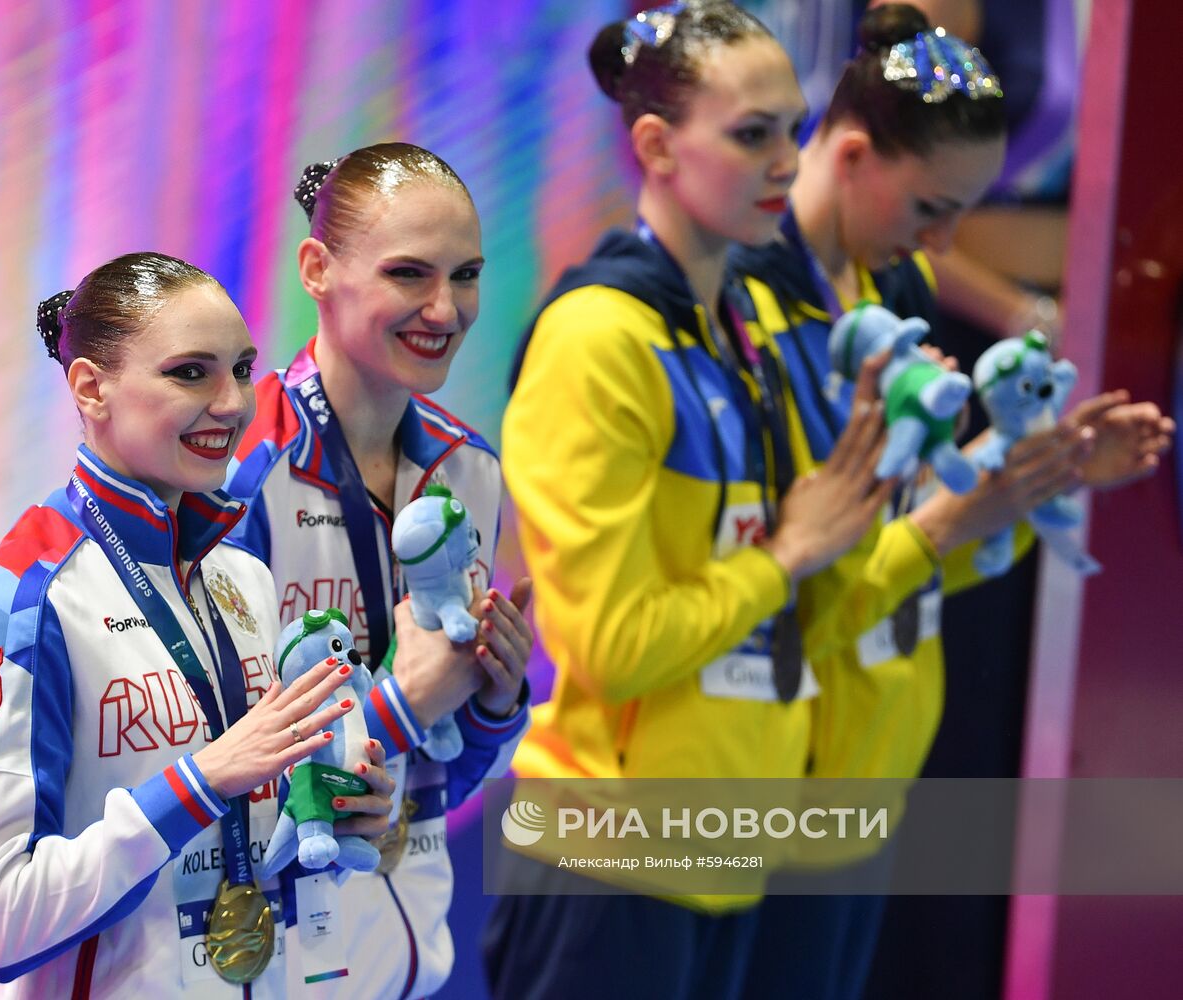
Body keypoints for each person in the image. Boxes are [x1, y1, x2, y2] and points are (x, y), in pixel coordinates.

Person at [725, 6, 1173, 998]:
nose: (939, 244)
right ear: (850, 156)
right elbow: (799, 600)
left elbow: (906, 559)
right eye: (930, 210)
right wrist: (951, 515)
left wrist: (1033, 475)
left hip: (867, 778)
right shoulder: (748, 319)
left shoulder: (875, 301)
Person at [481, 4, 904, 996]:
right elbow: (613, 645)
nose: (786, 162)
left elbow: (809, 601)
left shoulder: (743, 322)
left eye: (794, 129)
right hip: (607, 859)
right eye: (751, 134)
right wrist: (783, 556)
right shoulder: (599, 339)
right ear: (656, 146)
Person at [0, 251, 395, 998]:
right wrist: (202, 782)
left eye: (241, 369)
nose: (233, 403)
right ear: (91, 387)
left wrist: (330, 812)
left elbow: (223, 853)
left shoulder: (241, 575)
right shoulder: (24, 604)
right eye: (190, 373)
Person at [226, 142, 534, 1000]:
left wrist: (495, 705)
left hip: (408, 960)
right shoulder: (235, 474)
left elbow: (441, 777)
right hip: (268, 962)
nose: (445, 309)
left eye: (465, 275)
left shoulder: (469, 470)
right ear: (316, 270)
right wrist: (403, 707)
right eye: (408, 274)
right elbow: (213, 774)